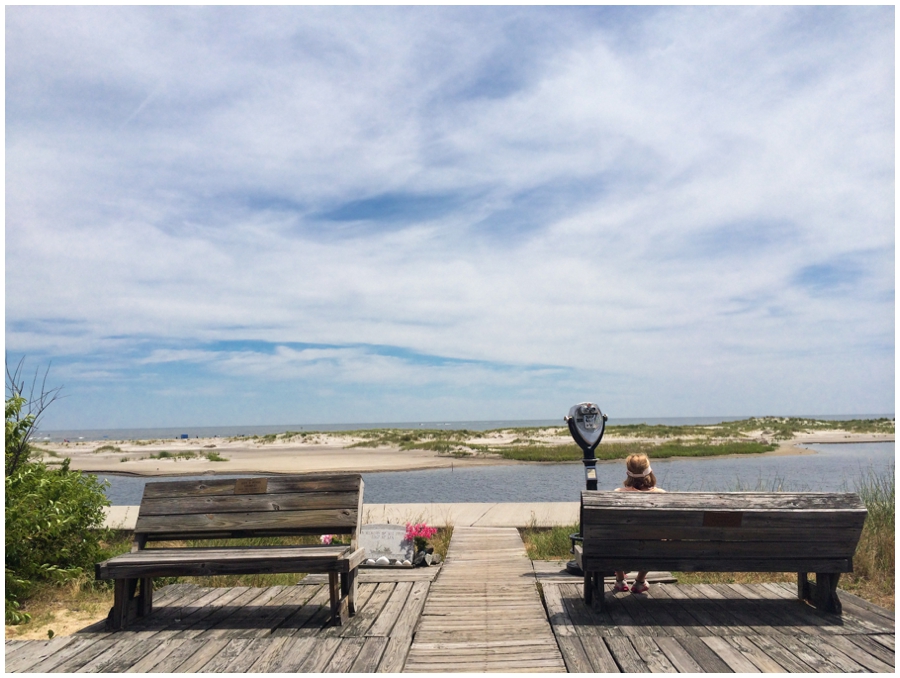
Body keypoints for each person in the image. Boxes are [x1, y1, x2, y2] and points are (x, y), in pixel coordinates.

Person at [613, 453, 664, 594]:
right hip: (652, 549)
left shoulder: (617, 494)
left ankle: (620, 579)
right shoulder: (661, 495)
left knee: (614, 537)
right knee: (656, 539)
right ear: (650, 472)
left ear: (628, 473)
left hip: (622, 547)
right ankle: (640, 581)